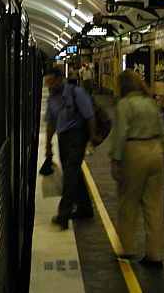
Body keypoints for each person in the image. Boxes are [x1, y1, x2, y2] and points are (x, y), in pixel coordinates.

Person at [110, 69, 164, 269]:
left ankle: (126, 248)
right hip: (155, 151)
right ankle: (154, 255)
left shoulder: (124, 104)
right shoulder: (151, 102)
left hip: (134, 151)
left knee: (128, 202)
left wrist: (116, 160)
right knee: (154, 207)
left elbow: (121, 133)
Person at [44, 66, 101, 229]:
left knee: (70, 174)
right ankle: (85, 208)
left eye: (52, 82)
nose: (50, 86)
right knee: (74, 173)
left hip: (77, 137)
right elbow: (50, 123)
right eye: (47, 83)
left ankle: (64, 213)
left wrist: (92, 137)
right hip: (63, 139)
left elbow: (89, 115)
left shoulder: (77, 93)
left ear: (61, 79)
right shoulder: (52, 99)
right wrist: (48, 147)